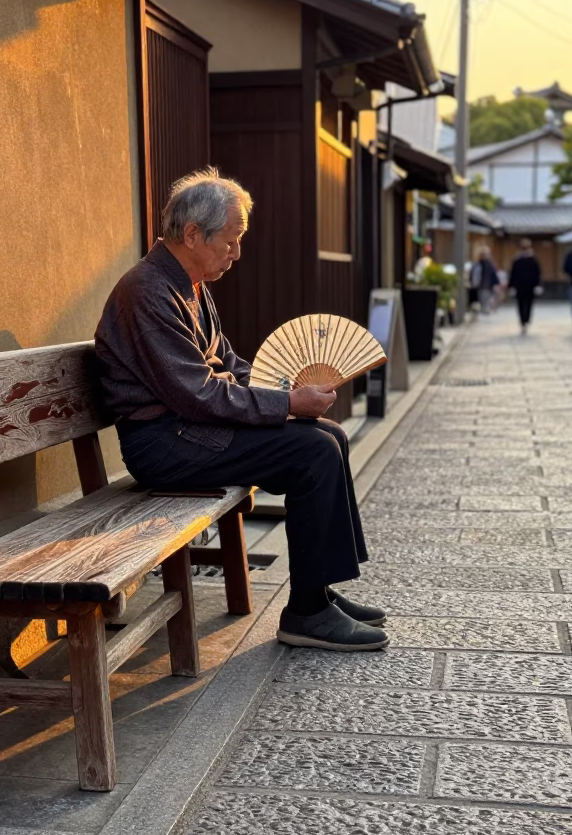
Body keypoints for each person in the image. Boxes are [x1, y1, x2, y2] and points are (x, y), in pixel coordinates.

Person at [94, 168, 387, 652]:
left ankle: (318, 589)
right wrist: (286, 403)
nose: (236, 253)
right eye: (230, 241)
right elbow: (198, 393)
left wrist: (284, 392)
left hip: (190, 429)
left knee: (327, 433)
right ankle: (307, 613)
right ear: (192, 234)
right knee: (311, 451)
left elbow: (228, 363)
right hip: (166, 443)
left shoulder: (190, 285)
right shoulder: (147, 290)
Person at [508, 238, 542, 334]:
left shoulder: (518, 260)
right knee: (528, 304)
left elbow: (512, 274)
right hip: (529, 286)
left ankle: (523, 321)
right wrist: (538, 284)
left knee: (521, 304)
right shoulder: (532, 260)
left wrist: (511, 285)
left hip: (521, 286)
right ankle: (525, 321)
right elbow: (538, 274)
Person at [473, 246, 498, 315]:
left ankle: (486, 311)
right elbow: (475, 275)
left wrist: (496, 284)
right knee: (483, 299)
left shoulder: (490, 264)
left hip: (488, 285)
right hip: (482, 285)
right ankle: (484, 311)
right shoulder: (479, 264)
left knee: (487, 299)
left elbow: (494, 275)